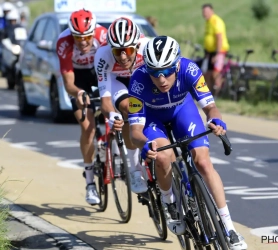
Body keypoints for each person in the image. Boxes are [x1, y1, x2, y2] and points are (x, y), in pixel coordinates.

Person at [128, 36, 247, 250]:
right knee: (164, 156)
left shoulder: (189, 69)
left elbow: (210, 107)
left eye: (166, 71)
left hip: (183, 112)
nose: (161, 79)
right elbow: (135, 131)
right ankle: (169, 202)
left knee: (202, 162)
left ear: (177, 65)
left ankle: (230, 229)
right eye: (155, 73)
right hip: (153, 120)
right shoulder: (138, 80)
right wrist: (145, 144)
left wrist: (215, 119)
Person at [56, 9, 107, 205]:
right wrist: (78, 93)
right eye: (78, 37)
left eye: (86, 36)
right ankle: (90, 183)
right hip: (78, 79)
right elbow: (69, 83)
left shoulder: (103, 36)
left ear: (93, 32)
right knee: (88, 127)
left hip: (99, 72)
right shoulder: (64, 42)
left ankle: (118, 151)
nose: (83, 42)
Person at [93, 17, 150, 194]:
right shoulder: (103, 56)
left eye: (127, 49)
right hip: (117, 81)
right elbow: (106, 102)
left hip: (140, 77)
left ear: (136, 45)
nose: (123, 56)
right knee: (128, 109)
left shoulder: (147, 48)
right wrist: (112, 115)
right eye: (118, 51)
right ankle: (134, 169)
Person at [202, 3, 229, 97]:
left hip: (219, 51)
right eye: (203, 12)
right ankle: (208, 95)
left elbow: (219, 38)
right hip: (210, 52)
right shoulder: (208, 22)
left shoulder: (215, 21)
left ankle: (218, 94)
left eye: (206, 11)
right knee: (207, 74)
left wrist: (217, 54)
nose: (204, 14)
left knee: (215, 74)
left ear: (211, 11)